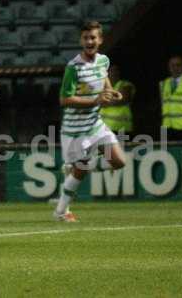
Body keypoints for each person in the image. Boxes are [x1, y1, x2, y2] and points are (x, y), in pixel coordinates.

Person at [54, 21, 126, 222]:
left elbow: (104, 80)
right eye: (86, 38)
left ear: (100, 40)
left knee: (119, 161)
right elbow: (64, 100)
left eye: (93, 37)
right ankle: (61, 211)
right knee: (80, 171)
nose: (89, 41)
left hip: (95, 125)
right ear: (81, 40)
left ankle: (77, 166)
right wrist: (95, 100)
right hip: (75, 130)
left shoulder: (103, 61)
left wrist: (111, 92)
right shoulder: (74, 67)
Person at [100, 64, 135, 135]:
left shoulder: (125, 85)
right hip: (103, 128)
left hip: (120, 127)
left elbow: (122, 100)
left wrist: (104, 102)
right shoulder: (102, 86)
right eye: (111, 70)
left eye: (116, 70)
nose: (114, 72)